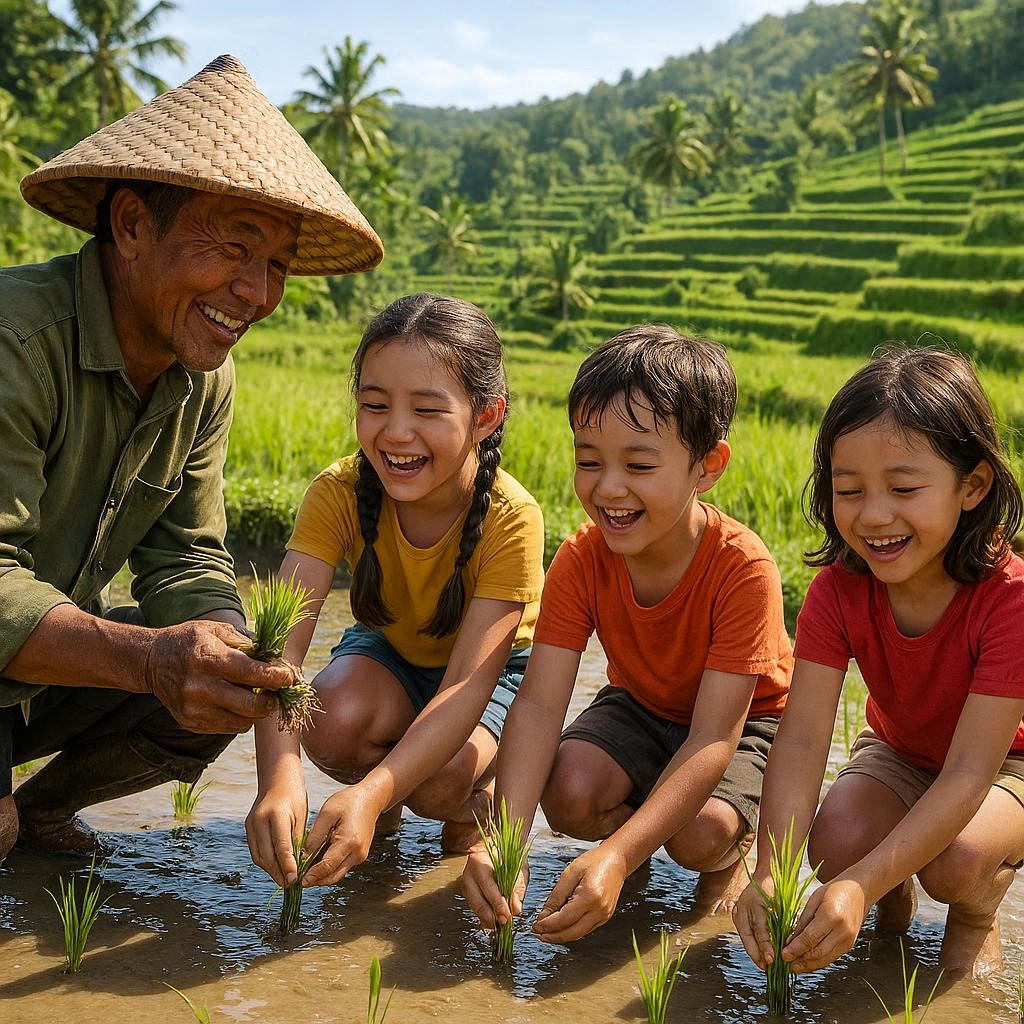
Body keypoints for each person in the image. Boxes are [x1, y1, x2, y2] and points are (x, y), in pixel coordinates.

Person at [0, 54, 383, 864]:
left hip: (34, 666)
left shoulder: (200, 372)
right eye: (235, 248)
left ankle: (40, 810)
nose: (256, 292)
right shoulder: (17, 343)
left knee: (208, 697)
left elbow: (186, 558)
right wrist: (150, 658)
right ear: (133, 226)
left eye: (275, 263)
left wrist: (236, 650)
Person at [461, 325, 793, 943]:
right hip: (640, 705)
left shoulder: (742, 567)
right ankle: (628, 853)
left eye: (639, 465)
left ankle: (712, 862)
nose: (608, 488)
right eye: (589, 461)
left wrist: (616, 854)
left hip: (745, 722)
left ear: (708, 466)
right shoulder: (584, 556)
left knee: (701, 835)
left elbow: (713, 738)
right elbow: (537, 704)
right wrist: (503, 838)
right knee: (570, 792)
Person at [733, 347, 1024, 978]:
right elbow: (805, 739)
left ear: (972, 485)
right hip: (901, 751)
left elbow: (971, 771)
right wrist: (768, 871)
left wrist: (859, 884)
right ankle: (889, 905)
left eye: (904, 488)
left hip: (1006, 766)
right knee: (833, 847)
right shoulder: (838, 590)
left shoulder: (1011, 599)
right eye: (849, 490)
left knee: (955, 861)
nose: (874, 515)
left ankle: (977, 913)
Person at [245, 293, 545, 891]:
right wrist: (278, 779)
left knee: (441, 781)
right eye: (375, 405)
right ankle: (372, 814)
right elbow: (281, 655)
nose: (396, 432)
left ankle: (467, 811)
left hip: (492, 675)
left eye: (428, 410)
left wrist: (376, 788)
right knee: (326, 720)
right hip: (389, 653)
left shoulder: (513, 517)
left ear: (485, 417)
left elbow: (466, 684)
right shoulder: (337, 492)